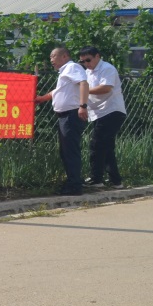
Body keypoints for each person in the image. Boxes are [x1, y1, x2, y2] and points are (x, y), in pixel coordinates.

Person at [34, 47, 89, 195]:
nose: (51, 60)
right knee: (66, 151)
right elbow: (58, 91)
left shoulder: (72, 67)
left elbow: (84, 83)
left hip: (71, 115)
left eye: (53, 56)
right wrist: (42, 98)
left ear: (64, 56)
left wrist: (83, 106)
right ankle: (73, 181)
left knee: (70, 151)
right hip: (65, 116)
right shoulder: (65, 72)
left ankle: (74, 185)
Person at [78, 46, 127, 187]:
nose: (86, 63)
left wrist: (85, 90)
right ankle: (115, 181)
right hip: (99, 113)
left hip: (111, 111)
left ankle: (96, 178)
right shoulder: (87, 72)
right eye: (82, 61)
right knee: (106, 147)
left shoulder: (107, 68)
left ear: (97, 56)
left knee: (97, 144)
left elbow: (106, 88)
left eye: (88, 60)